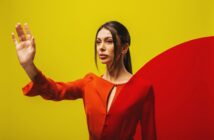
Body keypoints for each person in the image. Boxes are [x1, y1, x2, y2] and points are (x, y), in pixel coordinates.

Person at [12, 21, 157, 140]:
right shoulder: (89, 83)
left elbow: (150, 136)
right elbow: (54, 90)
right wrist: (28, 65)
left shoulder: (143, 88)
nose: (101, 48)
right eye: (98, 42)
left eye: (109, 41)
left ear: (124, 48)